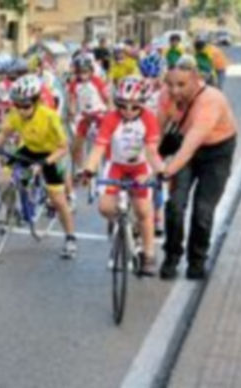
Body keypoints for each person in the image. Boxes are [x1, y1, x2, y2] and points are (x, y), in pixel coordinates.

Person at [158, 55, 237, 280]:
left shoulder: (210, 100)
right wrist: (150, 161)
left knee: (203, 211)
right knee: (174, 205)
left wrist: (167, 170)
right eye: (169, 84)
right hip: (185, 148)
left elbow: (193, 141)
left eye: (181, 85)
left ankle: (197, 259)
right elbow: (156, 131)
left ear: (196, 80)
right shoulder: (166, 96)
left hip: (215, 152)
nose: (174, 91)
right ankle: (172, 256)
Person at [79, 77, 165, 276]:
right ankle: (124, 225)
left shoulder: (149, 119)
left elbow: (152, 151)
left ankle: (149, 254)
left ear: (142, 105)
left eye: (134, 107)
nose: (128, 111)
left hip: (140, 167)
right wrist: (89, 169)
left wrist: (159, 171)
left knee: (144, 211)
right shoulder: (111, 118)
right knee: (105, 207)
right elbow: (99, 147)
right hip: (116, 165)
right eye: (123, 106)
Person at [0, 75, 77, 258]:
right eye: (17, 104)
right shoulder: (15, 114)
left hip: (51, 154)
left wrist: (44, 163)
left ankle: (70, 238)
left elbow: (64, 148)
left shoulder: (49, 116)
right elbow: (4, 134)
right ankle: (13, 213)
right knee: (2, 181)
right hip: (29, 149)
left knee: (58, 200)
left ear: (36, 102)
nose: (21, 110)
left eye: (25, 105)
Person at [69, 54, 110, 164]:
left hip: (99, 114)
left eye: (85, 72)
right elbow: (72, 99)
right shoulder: (74, 84)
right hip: (85, 116)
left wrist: (109, 111)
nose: (83, 75)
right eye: (80, 72)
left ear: (91, 71)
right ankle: (80, 169)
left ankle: (108, 163)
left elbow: (106, 98)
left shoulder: (96, 81)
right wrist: (72, 111)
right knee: (76, 146)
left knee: (105, 145)